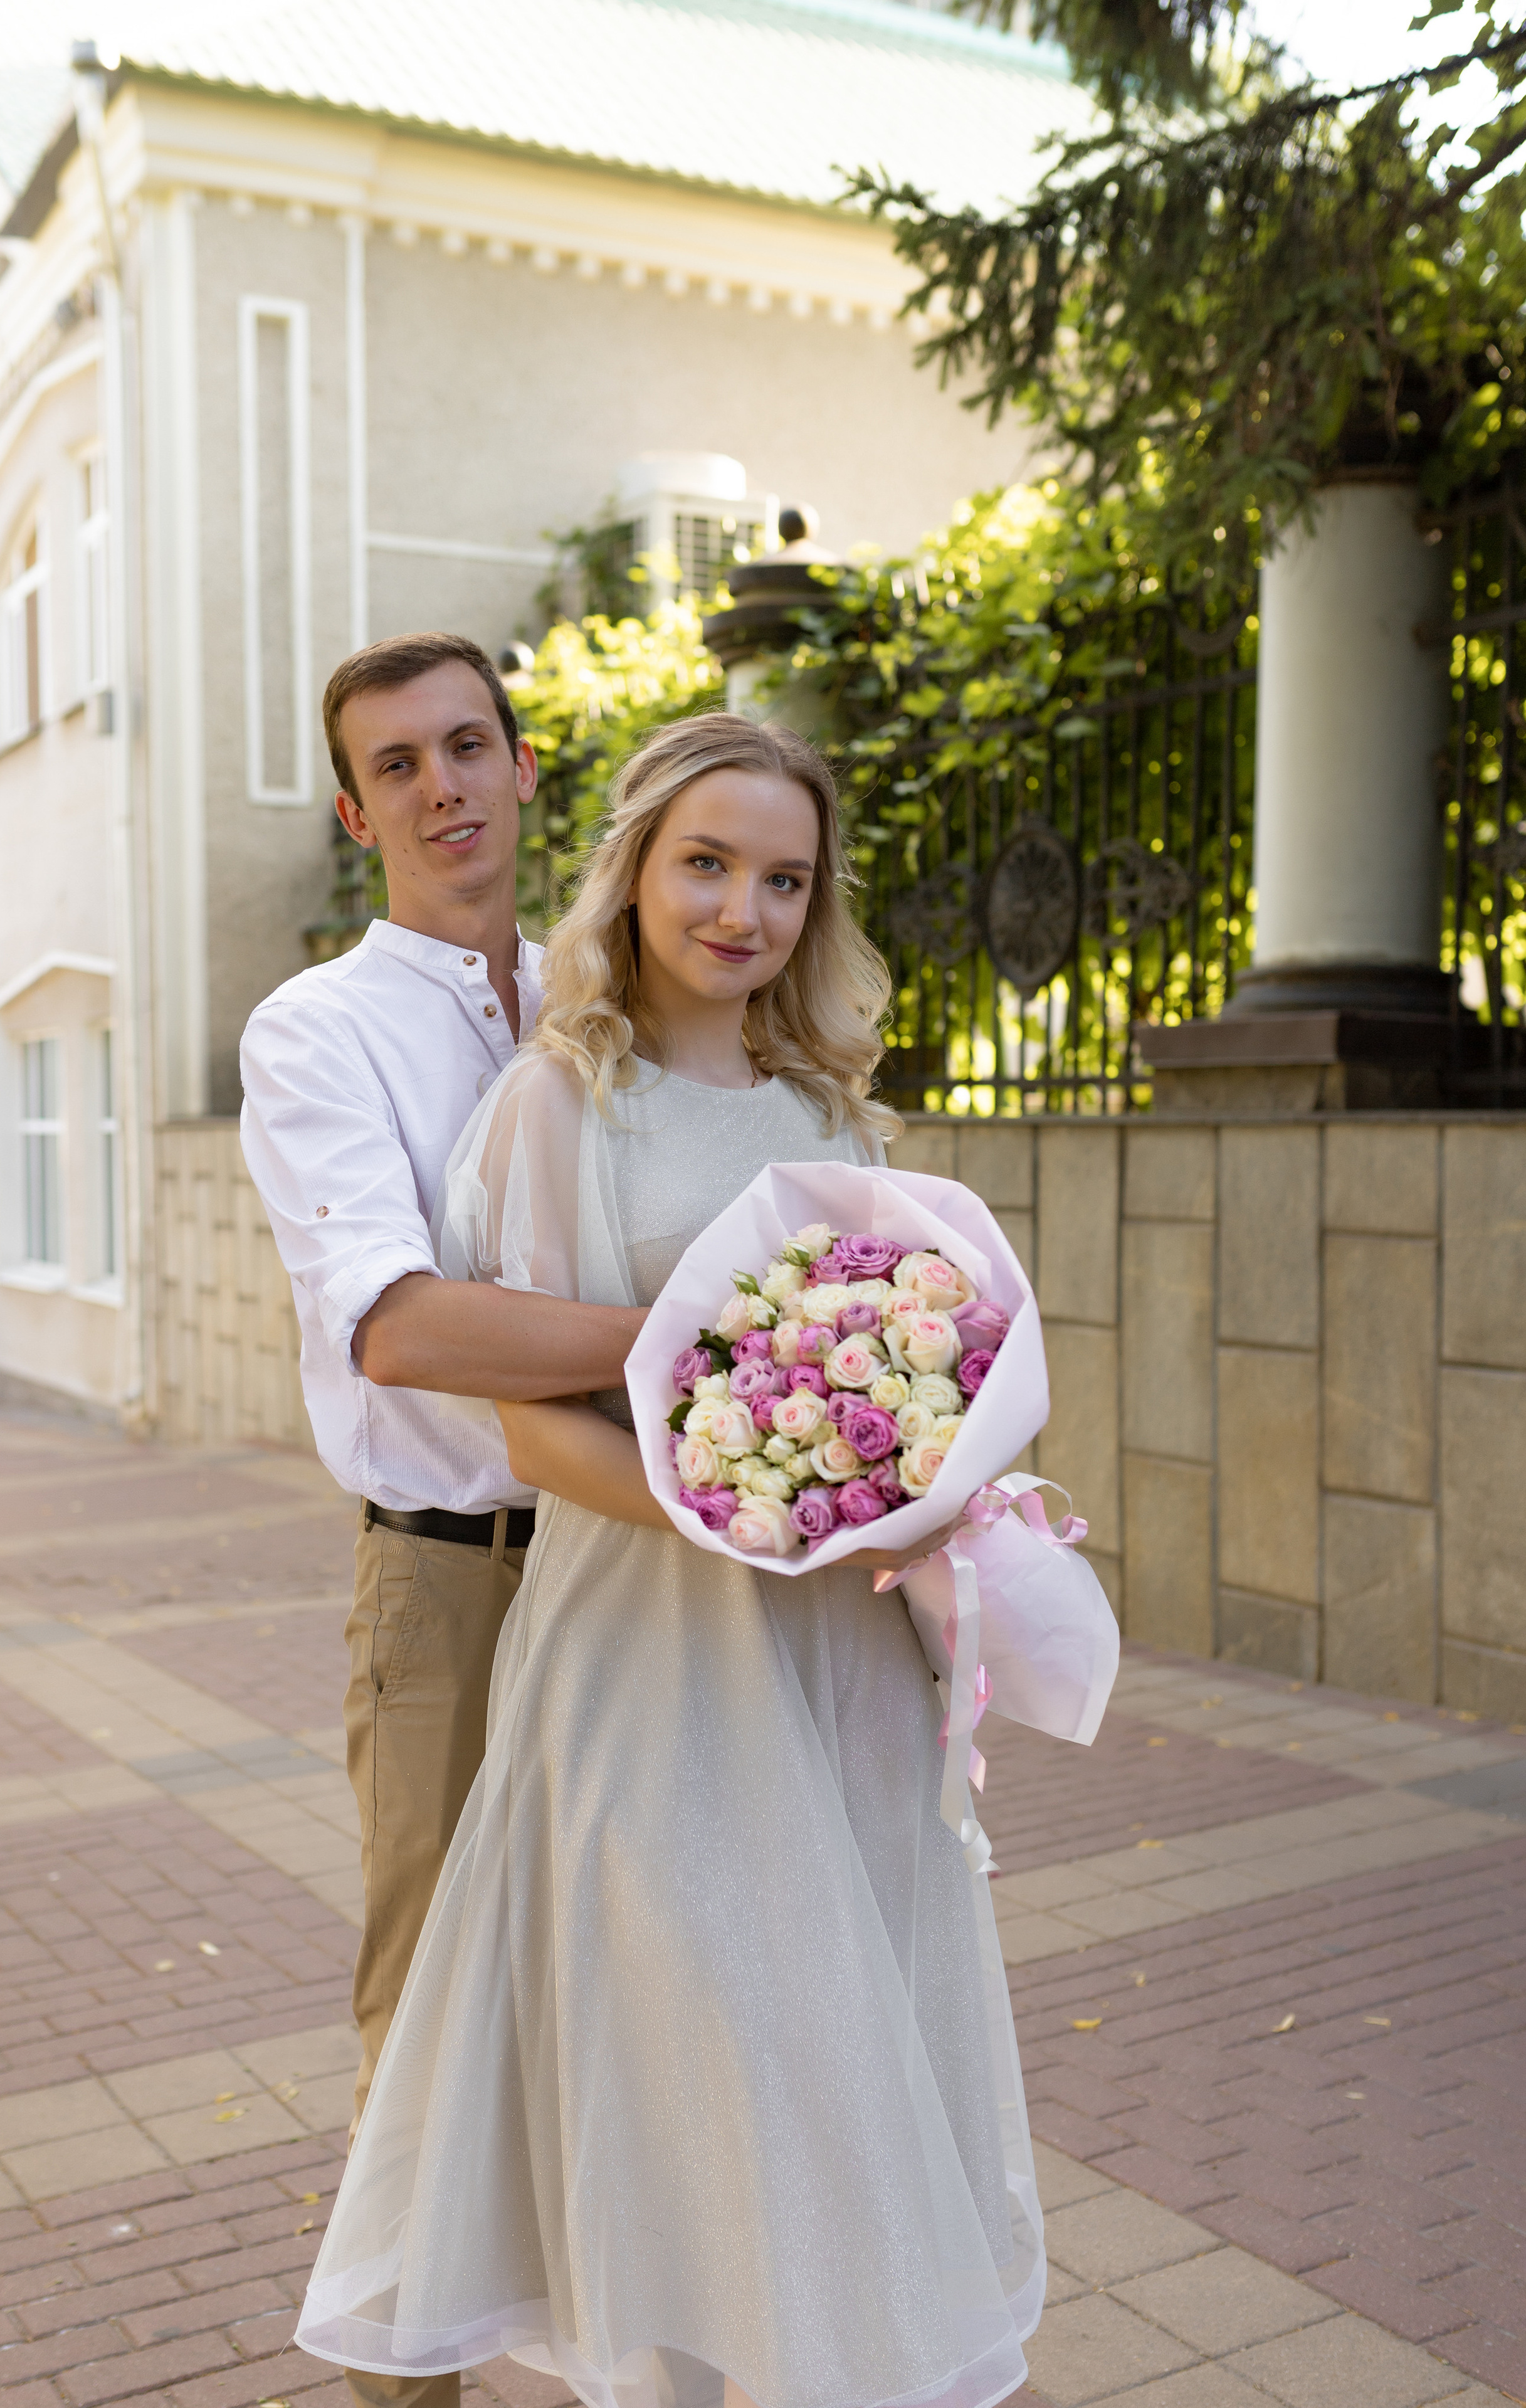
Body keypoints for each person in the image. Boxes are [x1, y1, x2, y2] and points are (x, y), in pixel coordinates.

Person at [296, 712, 1046, 2408]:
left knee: (832, 2063)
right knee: (696, 2061)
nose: (744, 910)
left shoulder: (832, 1115)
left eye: (785, 879)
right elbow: (537, 1435)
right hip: (645, 1646)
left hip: (836, 1663)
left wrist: (911, 1496)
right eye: (708, 863)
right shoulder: (563, 1104)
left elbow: (914, 1371)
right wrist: (756, 1518)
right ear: (635, 868)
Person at [238, 636, 646, 2307]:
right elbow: (398, 1331)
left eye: (467, 746)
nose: (442, 785)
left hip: (641, 1567)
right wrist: (684, 1336)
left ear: (525, 765)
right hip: (449, 1576)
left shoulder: (614, 998)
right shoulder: (314, 1032)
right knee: (432, 2027)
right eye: (398, 765)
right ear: (357, 811)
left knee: (648, 2008)